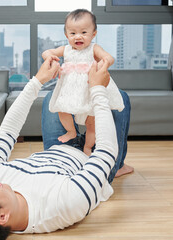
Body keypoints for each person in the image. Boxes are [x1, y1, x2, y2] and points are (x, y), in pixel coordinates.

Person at [0, 57, 133, 240]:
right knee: (118, 97)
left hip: (58, 146)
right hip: (91, 156)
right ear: (2, 216)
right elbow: (105, 152)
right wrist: (97, 89)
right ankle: (120, 166)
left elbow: (7, 133)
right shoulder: (62, 206)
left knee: (51, 100)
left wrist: (37, 81)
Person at [42, 9, 124, 156]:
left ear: (93, 34)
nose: (78, 36)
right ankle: (71, 131)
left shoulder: (94, 48)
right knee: (61, 109)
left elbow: (109, 57)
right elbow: (48, 52)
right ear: (67, 35)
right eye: (73, 33)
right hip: (71, 90)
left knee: (91, 123)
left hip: (90, 89)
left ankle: (88, 146)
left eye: (84, 32)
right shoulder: (66, 49)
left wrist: (105, 63)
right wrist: (49, 57)